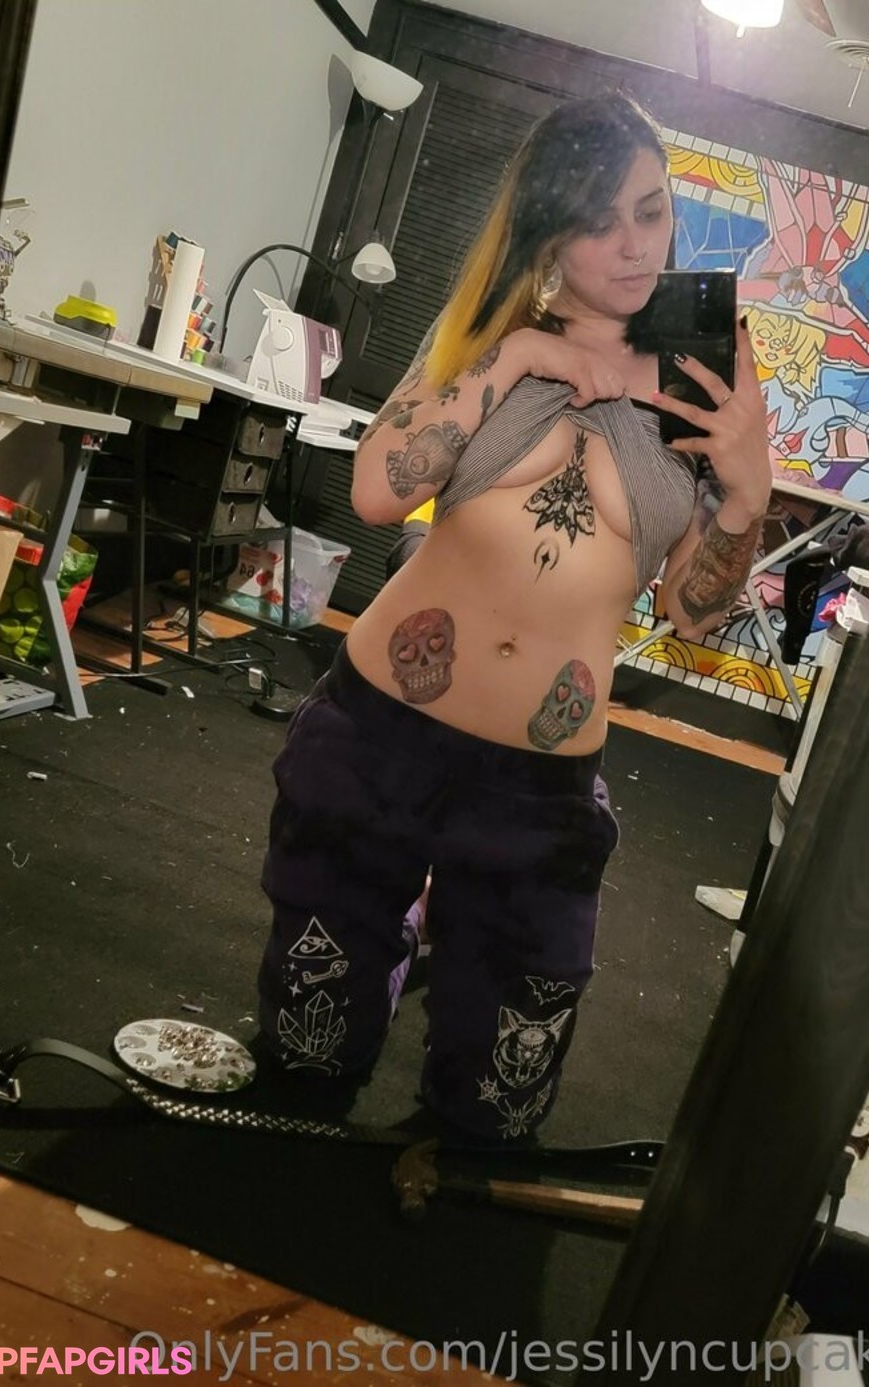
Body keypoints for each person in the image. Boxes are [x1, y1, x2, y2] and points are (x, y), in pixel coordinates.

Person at [257, 92, 771, 1142]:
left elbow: (691, 614)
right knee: (306, 1062)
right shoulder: (492, 331)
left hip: (539, 784)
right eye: (597, 223)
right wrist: (520, 360)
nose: (634, 247)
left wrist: (749, 494)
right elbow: (378, 493)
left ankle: (428, 953)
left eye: (650, 211)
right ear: (544, 234)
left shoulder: (704, 371)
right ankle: (387, 950)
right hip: (379, 731)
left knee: (494, 1112)